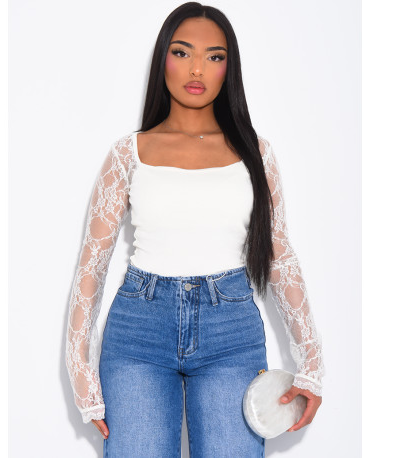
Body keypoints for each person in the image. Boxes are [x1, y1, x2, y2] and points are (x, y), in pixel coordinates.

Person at [65, 2, 324, 457]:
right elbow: (91, 266)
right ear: (162, 58)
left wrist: (312, 363)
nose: (197, 68)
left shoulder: (256, 153)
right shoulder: (128, 153)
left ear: (229, 68)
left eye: (214, 56)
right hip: (138, 335)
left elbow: (279, 255)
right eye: (182, 52)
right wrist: (79, 368)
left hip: (231, 335)